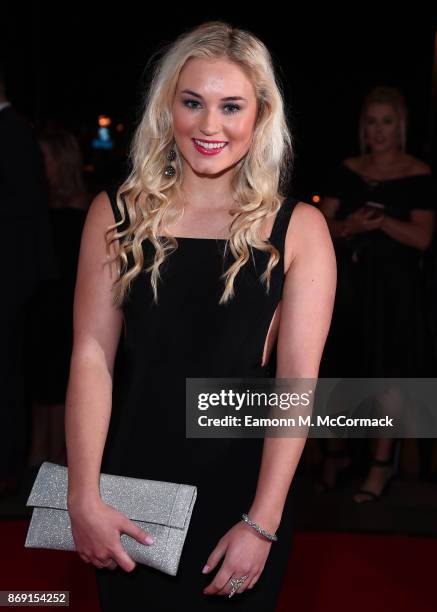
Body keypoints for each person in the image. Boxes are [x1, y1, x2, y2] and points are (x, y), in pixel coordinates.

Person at [65, 21, 336, 610]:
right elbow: (91, 357)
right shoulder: (115, 215)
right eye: (193, 102)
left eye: (231, 106)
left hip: (240, 503)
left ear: (260, 116)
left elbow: (297, 387)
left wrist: (262, 522)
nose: (210, 126)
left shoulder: (298, 230)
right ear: (169, 109)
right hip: (128, 502)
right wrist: (83, 497)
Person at [319, 86, 436, 502]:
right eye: (372, 122)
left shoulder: (418, 173)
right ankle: (336, 454)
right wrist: (350, 225)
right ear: (363, 127)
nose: (379, 130)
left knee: (389, 377)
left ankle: (381, 466)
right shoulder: (346, 169)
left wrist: (380, 221)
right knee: (337, 374)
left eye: (387, 122)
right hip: (346, 286)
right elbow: (321, 225)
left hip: (397, 290)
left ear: (399, 126)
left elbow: (423, 238)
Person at [0, 60, 58, 497]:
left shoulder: (12, 135)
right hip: (19, 282)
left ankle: (8, 464)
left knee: (9, 376)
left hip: (12, 284)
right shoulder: (15, 134)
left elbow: (21, 223)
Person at [27, 124, 89, 469]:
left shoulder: (89, 213)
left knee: (66, 387)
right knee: (41, 389)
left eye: (44, 159)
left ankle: (63, 463)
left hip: (70, 311)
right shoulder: (35, 210)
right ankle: (40, 459)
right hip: (40, 307)